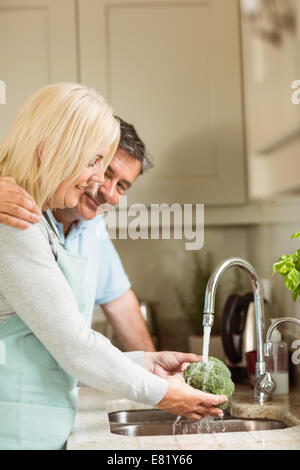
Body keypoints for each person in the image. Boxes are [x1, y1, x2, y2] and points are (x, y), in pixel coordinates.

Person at [0, 83, 227, 450]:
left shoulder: (43, 221)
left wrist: (147, 364)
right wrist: (161, 394)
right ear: (49, 151)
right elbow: (74, 345)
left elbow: (64, 339)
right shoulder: (15, 221)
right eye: (95, 163)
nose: (97, 181)